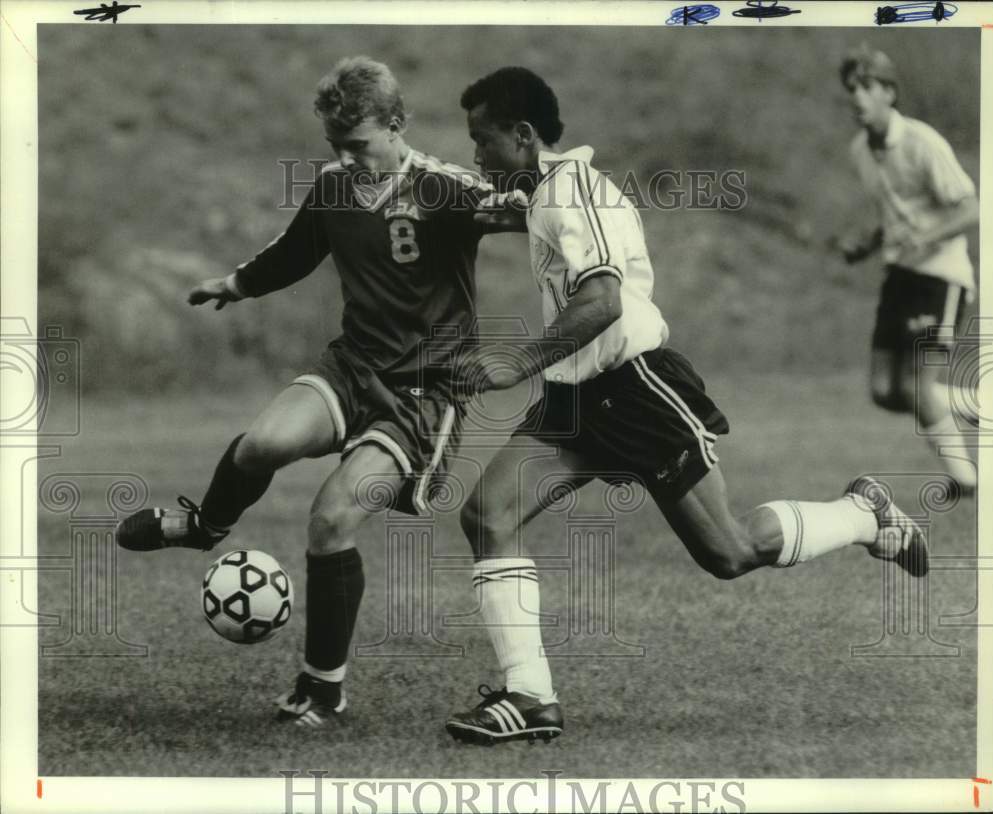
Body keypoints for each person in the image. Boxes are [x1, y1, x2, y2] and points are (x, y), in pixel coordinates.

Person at [444, 66, 929, 746]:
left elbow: (603, 298)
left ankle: (862, 513)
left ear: (523, 136)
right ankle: (531, 697)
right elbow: (541, 220)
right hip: (577, 399)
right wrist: (493, 209)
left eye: (483, 141)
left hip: (634, 387)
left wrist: (513, 363)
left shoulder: (570, 193)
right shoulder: (550, 191)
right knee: (488, 512)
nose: (477, 156)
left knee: (728, 553)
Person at [115, 56, 510, 727]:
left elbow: (523, 213)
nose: (346, 159)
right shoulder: (331, 188)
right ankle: (206, 526)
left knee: (330, 520)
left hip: (422, 396)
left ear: (397, 124)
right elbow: (294, 253)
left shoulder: (446, 189)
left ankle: (322, 689)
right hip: (352, 366)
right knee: (262, 443)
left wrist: (554, 202)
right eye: (335, 146)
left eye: (358, 145)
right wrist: (233, 285)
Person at [835, 45, 979, 494]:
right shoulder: (860, 150)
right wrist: (868, 243)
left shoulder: (922, 142)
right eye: (852, 88)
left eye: (868, 87)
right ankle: (977, 403)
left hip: (940, 274)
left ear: (889, 92)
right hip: (899, 274)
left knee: (919, 387)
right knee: (884, 391)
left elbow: (971, 208)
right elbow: (895, 213)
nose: (858, 97)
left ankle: (968, 480)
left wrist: (928, 238)